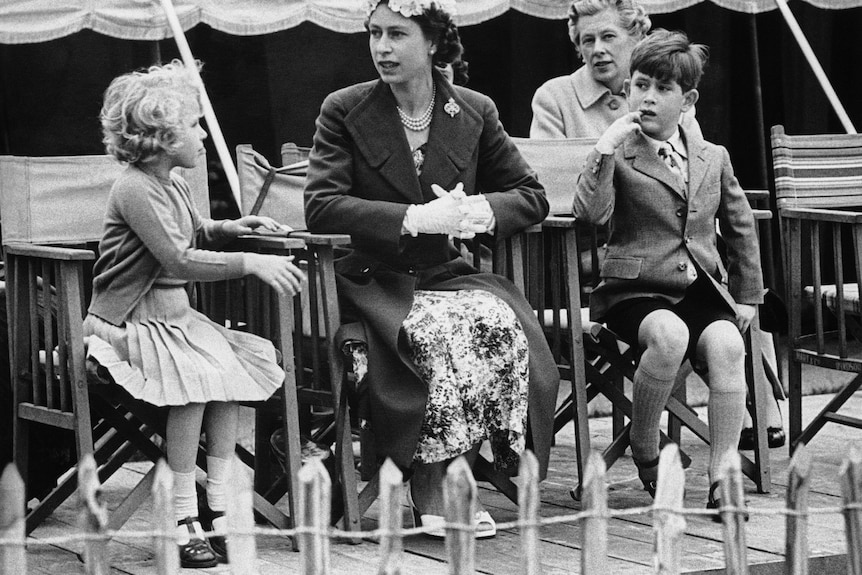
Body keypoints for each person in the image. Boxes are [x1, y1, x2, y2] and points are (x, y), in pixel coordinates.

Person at [304, 0, 559, 538]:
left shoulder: (472, 110)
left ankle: (469, 468)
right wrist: (413, 217)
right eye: (374, 34)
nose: (382, 47)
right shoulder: (345, 108)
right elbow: (321, 206)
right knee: (435, 330)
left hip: (444, 273)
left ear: (435, 43)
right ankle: (431, 485)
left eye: (397, 35)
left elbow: (530, 195)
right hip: (370, 277)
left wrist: (481, 212)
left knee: (497, 319)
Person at [83, 60, 305, 567]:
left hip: (177, 321)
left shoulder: (171, 183)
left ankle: (221, 505)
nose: (203, 133)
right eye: (194, 125)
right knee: (196, 381)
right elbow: (178, 258)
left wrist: (232, 228)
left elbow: (194, 232)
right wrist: (251, 260)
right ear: (160, 139)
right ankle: (182, 516)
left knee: (228, 377)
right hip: (131, 322)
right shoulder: (134, 187)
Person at [573, 30, 764, 520]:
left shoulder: (711, 156)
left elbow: (741, 226)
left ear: (688, 100)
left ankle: (723, 473)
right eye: (640, 86)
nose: (648, 98)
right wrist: (604, 150)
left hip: (699, 286)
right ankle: (644, 447)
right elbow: (590, 215)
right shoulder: (622, 151)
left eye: (662, 89)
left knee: (726, 344)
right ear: (628, 90)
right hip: (633, 291)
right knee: (670, 333)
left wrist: (746, 297)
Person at [529, 0, 700, 140]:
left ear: (637, 38)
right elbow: (550, 174)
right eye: (588, 40)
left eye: (608, 36)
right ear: (579, 48)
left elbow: (695, 166)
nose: (597, 49)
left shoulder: (669, 95)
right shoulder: (555, 97)